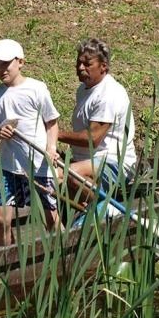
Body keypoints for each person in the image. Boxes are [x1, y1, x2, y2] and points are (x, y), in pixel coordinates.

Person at [0, 38, 61, 243]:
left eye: (5, 63)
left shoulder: (36, 89)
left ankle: (63, 253)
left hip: (38, 164)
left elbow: (52, 122)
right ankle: (7, 260)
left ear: (20, 62)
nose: (1, 69)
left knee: (50, 217)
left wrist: (51, 147)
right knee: (1, 219)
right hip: (9, 166)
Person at [58, 38, 137, 200]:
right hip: (88, 162)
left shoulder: (109, 94)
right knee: (51, 175)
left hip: (115, 163)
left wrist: (55, 134)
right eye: (78, 63)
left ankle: (104, 208)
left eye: (87, 64)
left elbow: (92, 139)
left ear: (104, 66)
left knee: (72, 174)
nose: (81, 68)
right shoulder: (84, 89)